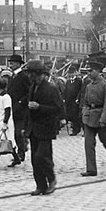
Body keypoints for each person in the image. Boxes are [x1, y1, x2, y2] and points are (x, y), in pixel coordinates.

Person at [23, 60, 64, 195]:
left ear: (38, 74)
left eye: (31, 74)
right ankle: (40, 185)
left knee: (42, 156)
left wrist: (39, 107)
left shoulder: (51, 88)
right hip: (33, 128)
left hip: (46, 127)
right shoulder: (32, 87)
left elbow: (57, 108)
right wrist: (25, 126)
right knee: (35, 159)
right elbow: (28, 109)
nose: (30, 77)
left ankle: (51, 179)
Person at [6, 54, 30, 162]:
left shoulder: (24, 76)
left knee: (19, 133)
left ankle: (21, 153)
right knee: (13, 132)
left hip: (21, 110)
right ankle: (18, 153)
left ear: (18, 64)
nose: (10, 65)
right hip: (12, 108)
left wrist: (21, 101)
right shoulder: (11, 77)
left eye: (12, 63)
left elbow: (29, 92)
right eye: (10, 63)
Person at [64, 64, 83, 135]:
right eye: (70, 73)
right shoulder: (68, 81)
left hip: (75, 101)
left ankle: (76, 129)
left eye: (72, 73)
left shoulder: (79, 81)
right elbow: (66, 91)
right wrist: (64, 99)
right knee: (71, 115)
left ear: (75, 73)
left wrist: (78, 98)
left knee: (75, 115)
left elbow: (81, 90)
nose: (71, 74)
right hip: (69, 101)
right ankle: (74, 128)